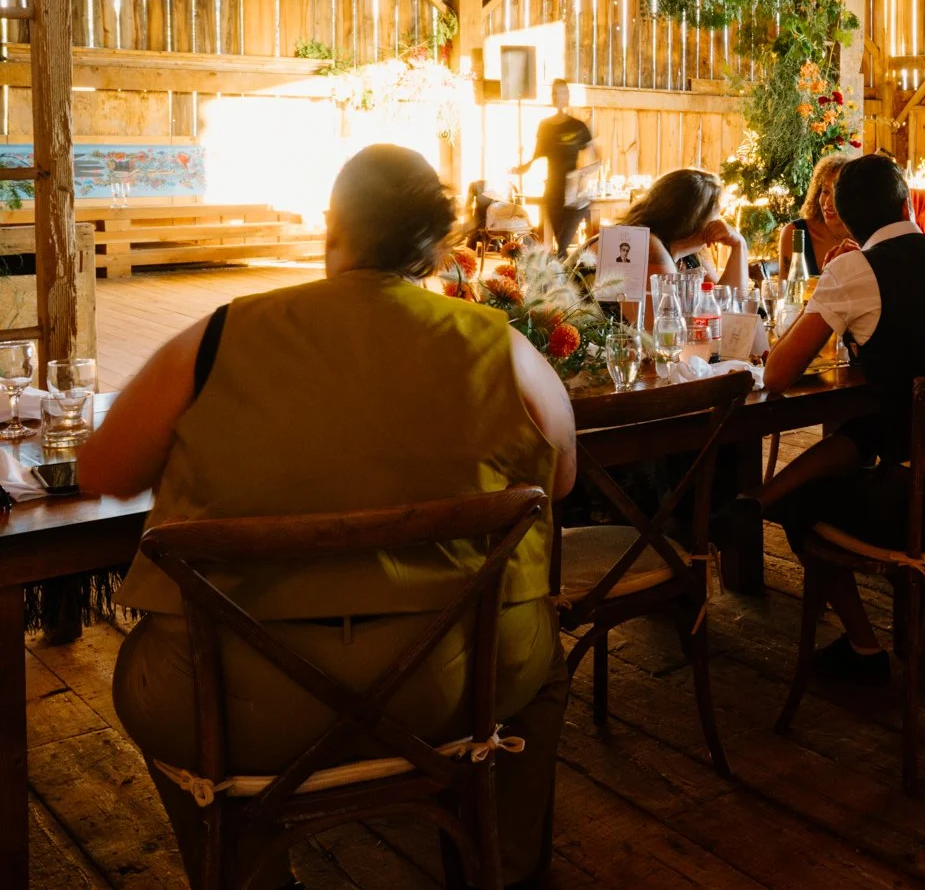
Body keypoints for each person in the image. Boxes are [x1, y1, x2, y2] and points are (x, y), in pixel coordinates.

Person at [82, 145, 577, 889]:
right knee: (544, 667)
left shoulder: (220, 338)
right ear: (437, 246)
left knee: (147, 689)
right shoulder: (496, 346)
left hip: (236, 702)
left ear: (333, 228)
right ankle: (500, 874)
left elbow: (102, 471)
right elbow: (561, 477)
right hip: (454, 682)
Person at [721, 154, 925, 681]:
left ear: (845, 221)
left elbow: (779, 375)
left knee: (803, 506)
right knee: (871, 428)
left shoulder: (854, 268)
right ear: (906, 204)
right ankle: (758, 502)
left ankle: (863, 646)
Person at [617, 167, 750, 290]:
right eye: (715, 215)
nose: (718, 222)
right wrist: (679, 250)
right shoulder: (645, 242)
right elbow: (665, 310)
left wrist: (739, 245)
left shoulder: (692, 255)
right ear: (692, 219)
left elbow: (728, 302)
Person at [514, 78, 595, 254]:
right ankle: (563, 265)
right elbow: (537, 153)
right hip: (552, 188)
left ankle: (563, 261)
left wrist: (586, 175)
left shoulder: (578, 126)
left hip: (573, 190)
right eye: (555, 93)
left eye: (562, 92)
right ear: (552, 97)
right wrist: (524, 167)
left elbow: (593, 155)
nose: (558, 96)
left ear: (568, 96)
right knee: (560, 239)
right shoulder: (545, 126)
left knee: (564, 243)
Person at [780, 151, 856, 278]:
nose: (828, 202)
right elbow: (787, 293)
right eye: (825, 191)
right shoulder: (795, 233)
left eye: (837, 194)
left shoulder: (864, 234)